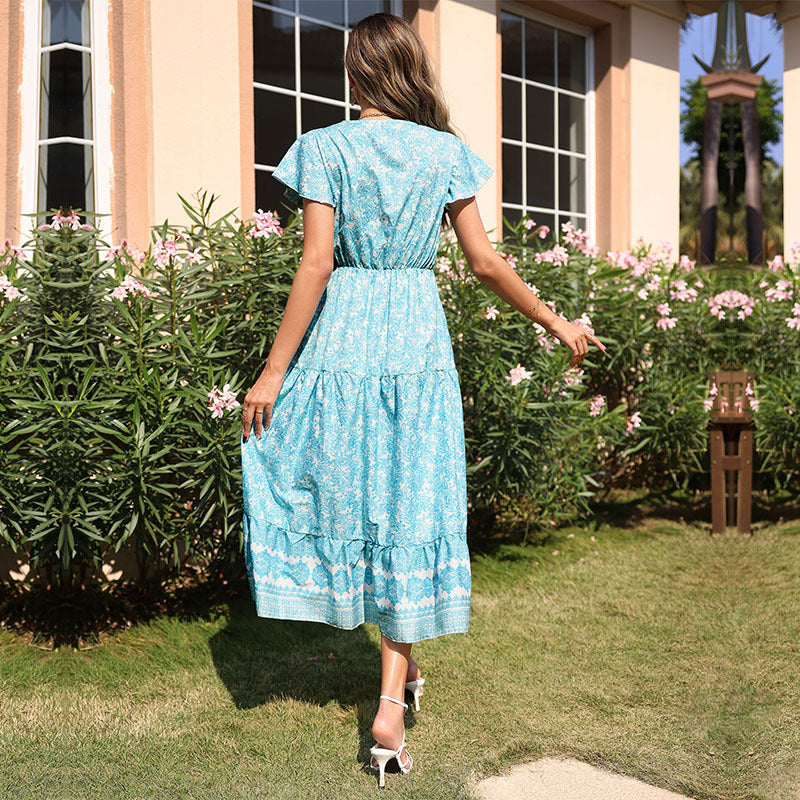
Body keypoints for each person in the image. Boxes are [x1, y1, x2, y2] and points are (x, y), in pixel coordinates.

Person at [239, 12, 605, 789]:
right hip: (414, 342)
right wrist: (553, 319)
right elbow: (483, 260)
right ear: (408, 68)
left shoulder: (326, 148)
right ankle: (389, 701)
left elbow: (314, 265)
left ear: (355, 74)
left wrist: (275, 371)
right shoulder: (444, 154)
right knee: (411, 504)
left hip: (344, 337)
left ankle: (382, 674)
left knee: (347, 492)